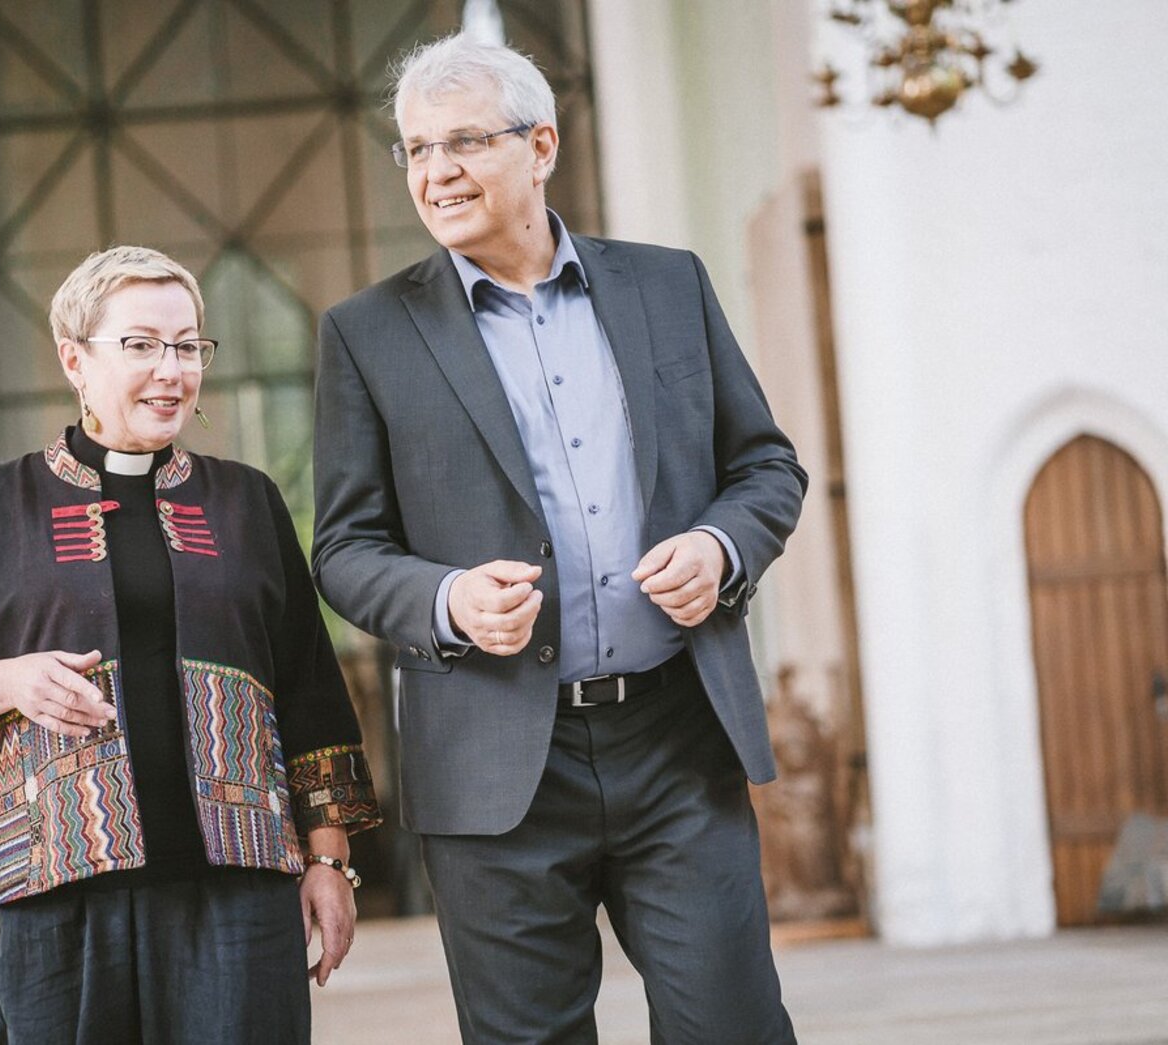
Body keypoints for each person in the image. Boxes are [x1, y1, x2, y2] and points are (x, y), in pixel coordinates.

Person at [311, 34, 806, 1044]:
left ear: (539, 146)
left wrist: (719, 548)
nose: (434, 171)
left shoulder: (667, 286)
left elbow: (763, 468)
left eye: (462, 142)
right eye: (412, 149)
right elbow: (346, 548)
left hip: (676, 740)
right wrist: (445, 601)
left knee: (734, 1027)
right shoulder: (366, 333)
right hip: (492, 767)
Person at [0, 245, 381, 1044]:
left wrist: (331, 860)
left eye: (188, 345)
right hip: (59, 894)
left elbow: (313, 693)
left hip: (238, 893)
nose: (172, 369)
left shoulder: (246, 501)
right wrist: (8, 680)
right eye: (141, 344)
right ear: (75, 359)